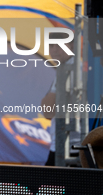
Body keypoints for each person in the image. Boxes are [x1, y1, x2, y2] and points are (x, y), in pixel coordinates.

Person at [41, 32, 80, 166]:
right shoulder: (67, 68)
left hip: (70, 148)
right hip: (67, 146)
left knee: (48, 186)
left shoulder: (72, 69)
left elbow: (48, 111)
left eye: (59, 44)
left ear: (73, 46)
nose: (54, 49)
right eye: (51, 45)